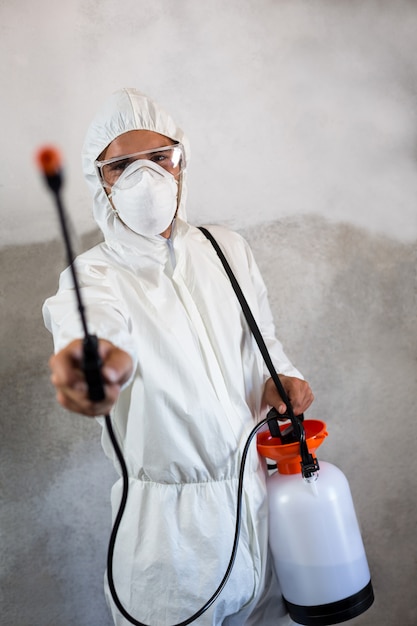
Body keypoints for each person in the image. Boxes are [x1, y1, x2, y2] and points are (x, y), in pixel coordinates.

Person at [43, 87, 314, 626]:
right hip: (170, 541)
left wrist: (282, 379)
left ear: (181, 160)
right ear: (102, 181)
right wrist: (91, 365)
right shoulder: (94, 276)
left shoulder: (225, 248)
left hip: (259, 505)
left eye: (159, 157)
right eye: (122, 164)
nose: (146, 176)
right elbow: (87, 329)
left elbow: (264, 341)